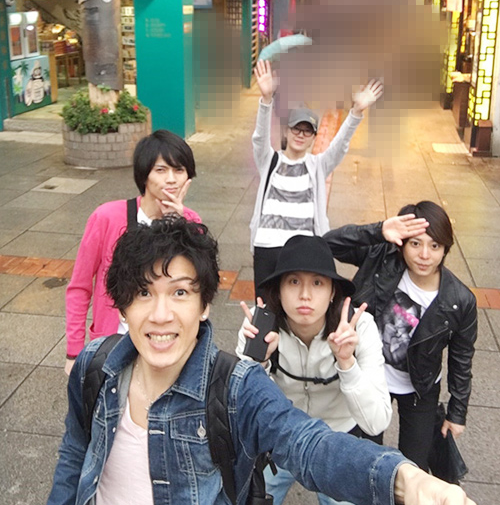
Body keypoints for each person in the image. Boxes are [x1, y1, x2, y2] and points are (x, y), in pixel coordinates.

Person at [48, 216, 476, 505]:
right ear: (122, 306)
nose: (161, 315)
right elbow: (74, 455)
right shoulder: (95, 366)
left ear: (204, 305)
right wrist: (262, 359)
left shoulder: (348, 331)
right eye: (144, 292)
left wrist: (403, 479)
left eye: (179, 292)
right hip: (274, 451)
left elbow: (306, 441)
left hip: (339, 433)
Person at [237, 235, 392, 505]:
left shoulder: (359, 327)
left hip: (339, 439)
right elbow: (240, 410)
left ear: (333, 292)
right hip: (281, 436)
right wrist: (259, 361)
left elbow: (376, 422)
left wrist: (347, 363)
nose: (305, 295)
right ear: (278, 289)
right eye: (293, 281)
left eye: (318, 283)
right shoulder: (258, 326)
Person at [323, 201, 478, 472]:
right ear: (402, 244)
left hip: (419, 387)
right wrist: (379, 230)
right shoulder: (382, 258)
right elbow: (328, 243)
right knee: (364, 461)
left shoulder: (459, 300)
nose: (424, 255)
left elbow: (461, 358)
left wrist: (457, 412)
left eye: (435, 246)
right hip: (371, 375)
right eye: (415, 244)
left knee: (413, 468)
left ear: (445, 249)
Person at [64, 129, 201, 375]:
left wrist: (177, 227)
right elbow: (79, 287)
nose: (171, 179)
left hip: (165, 342)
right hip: (113, 343)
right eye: (161, 170)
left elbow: (200, 288)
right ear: (144, 175)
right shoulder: (107, 217)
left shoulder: (192, 223)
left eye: (179, 170)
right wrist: (74, 352)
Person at [250, 59, 383, 297]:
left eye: (307, 130)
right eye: (296, 128)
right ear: (286, 131)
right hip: (267, 247)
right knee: (266, 309)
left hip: (303, 249)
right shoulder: (269, 160)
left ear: (313, 137)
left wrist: (356, 112)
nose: (301, 135)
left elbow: (340, 145)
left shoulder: (318, 165)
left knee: (300, 307)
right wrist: (266, 99)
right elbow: (260, 138)